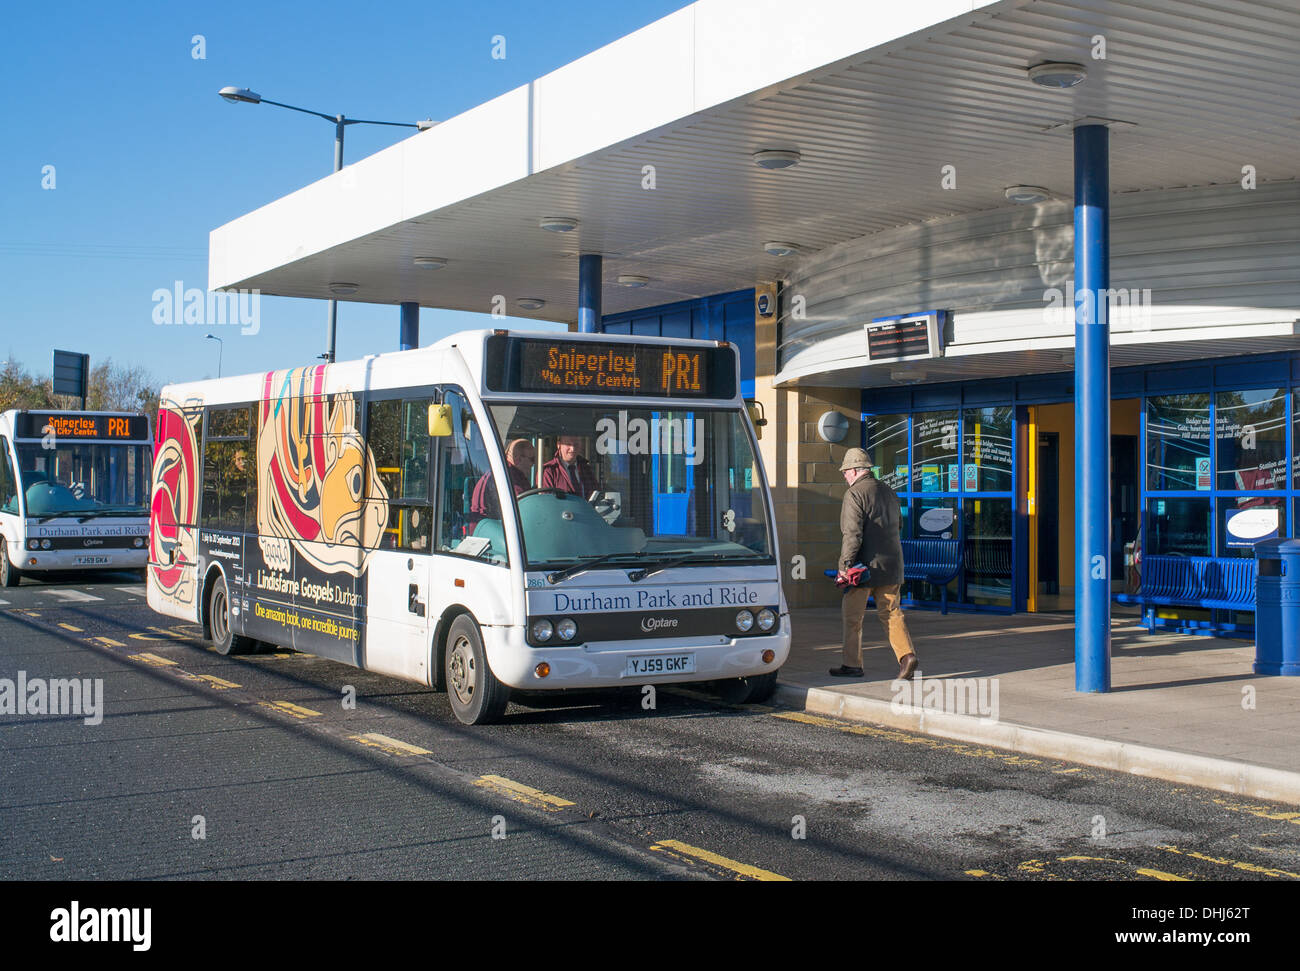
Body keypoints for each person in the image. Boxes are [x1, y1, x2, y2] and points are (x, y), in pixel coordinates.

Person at [830, 447, 918, 681]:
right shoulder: (889, 491)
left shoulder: (855, 494)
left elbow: (852, 535)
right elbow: (898, 524)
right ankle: (907, 656)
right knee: (891, 612)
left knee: (852, 616)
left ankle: (852, 664)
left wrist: (845, 565)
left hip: (863, 569)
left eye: (846, 472)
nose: (845, 476)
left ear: (857, 470)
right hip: (892, 565)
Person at [470, 438, 535, 522]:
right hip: (496, 529)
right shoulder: (510, 478)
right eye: (532, 459)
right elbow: (526, 509)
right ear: (518, 459)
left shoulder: (502, 472)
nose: (533, 464)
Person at [541, 434, 599, 499]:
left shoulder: (586, 469)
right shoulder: (549, 471)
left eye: (576, 444)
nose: (572, 448)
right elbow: (546, 501)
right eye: (568, 444)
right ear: (559, 445)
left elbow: (596, 495)